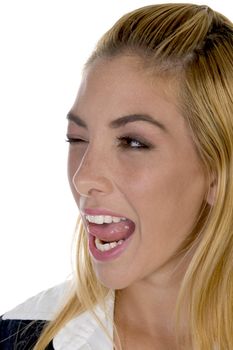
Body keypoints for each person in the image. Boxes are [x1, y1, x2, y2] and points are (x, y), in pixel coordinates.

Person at [1, 2, 233, 349]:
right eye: (78, 139)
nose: (84, 177)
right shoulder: (17, 338)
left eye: (133, 142)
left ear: (217, 173)